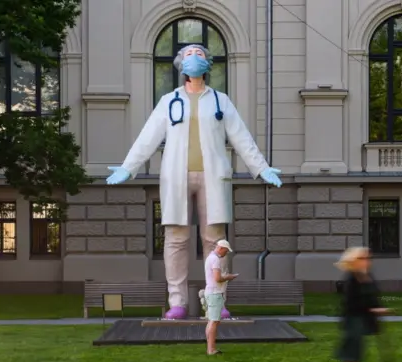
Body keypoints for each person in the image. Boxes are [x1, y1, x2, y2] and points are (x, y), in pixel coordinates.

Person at [106, 44, 282, 320]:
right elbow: (148, 137)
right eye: (188, 54)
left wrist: (261, 168)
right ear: (180, 65)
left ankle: (216, 301)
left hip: (213, 176)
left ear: (208, 63)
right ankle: (177, 302)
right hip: (176, 177)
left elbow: (241, 137)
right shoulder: (168, 101)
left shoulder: (220, 101)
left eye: (199, 54)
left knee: (215, 241)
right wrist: (129, 167)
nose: (194, 58)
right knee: (176, 240)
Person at [334, 246, 391, 362]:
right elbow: (351, 304)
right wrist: (373, 309)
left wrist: (378, 308)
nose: (367, 261)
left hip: (362, 322)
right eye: (362, 258)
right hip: (353, 322)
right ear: (353, 261)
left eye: (367, 258)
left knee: (357, 359)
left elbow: (373, 296)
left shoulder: (366, 276)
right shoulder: (351, 279)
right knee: (352, 358)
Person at [204, 239, 238, 355]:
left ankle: (210, 347)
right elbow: (217, 278)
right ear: (221, 248)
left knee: (211, 321)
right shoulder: (215, 259)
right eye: (226, 251)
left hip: (211, 292)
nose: (226, 253)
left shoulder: (210, 257)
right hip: (215, 293)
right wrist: (229, 277)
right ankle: (211, 349)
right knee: (214, 321)